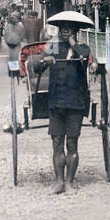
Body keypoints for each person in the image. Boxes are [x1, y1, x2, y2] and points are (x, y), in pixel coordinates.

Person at [32, 21, 92, 194]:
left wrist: (73, 43)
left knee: (72, 143)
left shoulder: (82, 48)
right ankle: (58, 181)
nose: (65, 31)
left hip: (75, 102)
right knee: (57, 142)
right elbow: (36, 67)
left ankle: (70, 183)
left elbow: (86, 59)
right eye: (63, 28)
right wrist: (45, 60)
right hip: (56, 102)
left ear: (74, 31)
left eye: (69, 28)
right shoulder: (54, 48)